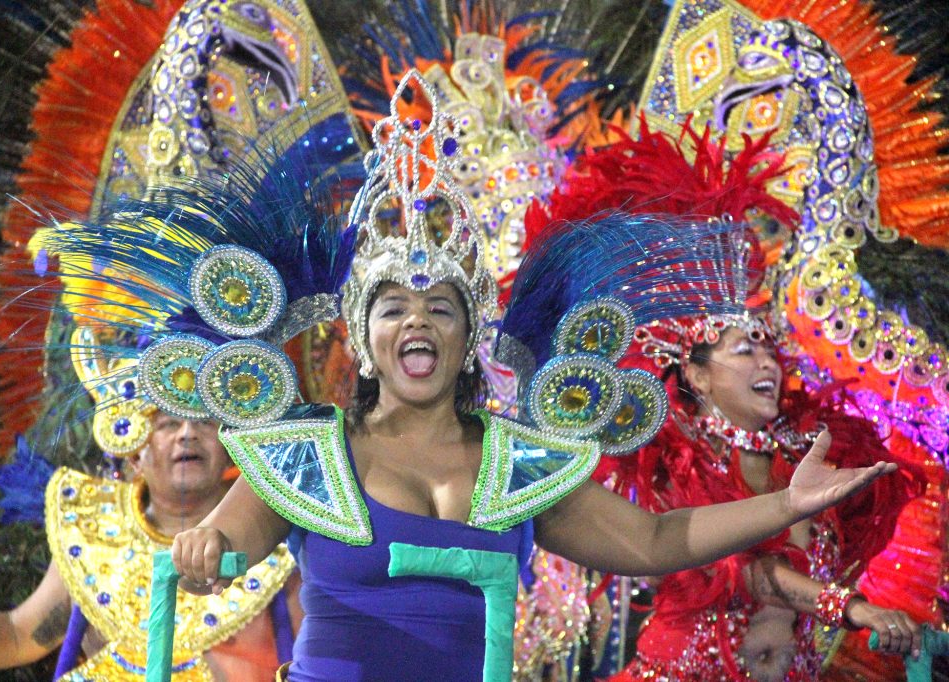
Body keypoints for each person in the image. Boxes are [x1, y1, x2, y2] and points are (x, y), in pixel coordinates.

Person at [160, 74, 919, 681]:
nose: (417, 322)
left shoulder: (515, 461)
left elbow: (655, 540)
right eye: (393, 308)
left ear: (467, 343)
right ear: (364, 342)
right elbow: (218, 548)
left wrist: (785, 503)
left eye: (441, 310)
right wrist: (199, 553)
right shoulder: (305, 454)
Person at [602, 314, 921, 681]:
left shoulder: (804, 463)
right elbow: (743, 572)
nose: (767, 362)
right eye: (744, 351)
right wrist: (849, 608)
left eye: (770, 351)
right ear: (697, 375)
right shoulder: (675, 465)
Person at [0, 410, 298, 680]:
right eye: (168, 423)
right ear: (135, 453)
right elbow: (21, 632)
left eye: (205, 421)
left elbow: (315, 656)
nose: (188, 434)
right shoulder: (92, 526)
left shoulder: (274, 536)